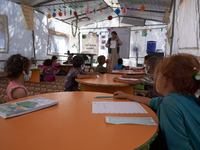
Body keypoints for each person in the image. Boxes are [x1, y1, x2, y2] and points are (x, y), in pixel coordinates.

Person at [113, 54, 200, 150]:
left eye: (158, 75)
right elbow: (152, 102)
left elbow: (179, 146)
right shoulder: (185, 98)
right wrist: (127, 95)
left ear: (165, 80)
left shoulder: (169, 104)